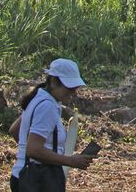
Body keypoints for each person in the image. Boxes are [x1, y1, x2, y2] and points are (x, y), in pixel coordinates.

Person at [9, 58, 94, 191]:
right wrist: (69, 161)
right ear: (54, 82)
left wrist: (27, 156)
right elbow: (33, 149)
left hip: (24, 175)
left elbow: (15, 131)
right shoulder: (47, 106)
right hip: (38, 180)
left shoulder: (38, 98)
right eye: (69, 88)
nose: (73, 92)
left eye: (74, 88)